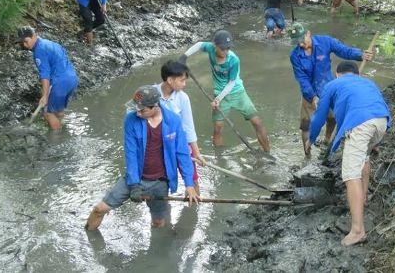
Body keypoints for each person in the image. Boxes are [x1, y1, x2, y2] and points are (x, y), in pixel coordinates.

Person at [85, 85, 200, 230]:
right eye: (136, 109)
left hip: (160, 182)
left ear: (155, 106)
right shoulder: (131, 120)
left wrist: (189, 185)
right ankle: (90, 239)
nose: (138, 113)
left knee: (158, 223)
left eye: (142, 110)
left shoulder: (173, 121)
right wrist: (134, 185)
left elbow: (182, 154)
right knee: (99, 209)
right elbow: (131, 154)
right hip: (136, 177)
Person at [307, 61, 391, 246]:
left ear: (337, 74)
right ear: (356, 74)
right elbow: (381, 105)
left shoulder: (333, 84)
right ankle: (364, 198)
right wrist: (378, 139)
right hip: (381, 122)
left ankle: (358, 230)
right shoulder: (368, 82)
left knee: (350, 174)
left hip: (361, 124)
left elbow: (320, 117)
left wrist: (310, 139)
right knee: (364, 157)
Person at [288, 23, 373, 158]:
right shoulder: (295, 56)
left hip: (329, 88)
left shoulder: (325, 41)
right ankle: (307, 154)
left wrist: (360, 55)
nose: (301, 45)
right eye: (298, 43)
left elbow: (343, 50)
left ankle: (327, 140)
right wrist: (313, 97)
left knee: (332, 117)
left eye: (302, 40)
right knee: (306, 125)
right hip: (309, 93)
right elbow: (302, 79)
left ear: (308, 33)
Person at [179, 30, 270, 152]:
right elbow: (199, 45)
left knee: (257, 122)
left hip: (238, 93)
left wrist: (218, 99)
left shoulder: (233, 60)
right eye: (222, 49)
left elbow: (231, 83)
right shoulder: (210, 48)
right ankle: (220, 157)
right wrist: (184, 56)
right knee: (218, 128)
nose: (225, 52)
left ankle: (267, 152)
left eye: (228, 49)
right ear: (215, 46)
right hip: (219, 94)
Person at [156, 60, 206, 194]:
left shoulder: (183, 98)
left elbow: (188, 127)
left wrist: (196, 152)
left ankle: (194, 206)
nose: (184, 84)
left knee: (192, 177)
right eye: (182, 80)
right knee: (162, 179)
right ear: (170, 80)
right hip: (161, 145)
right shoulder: (151, 94)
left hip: (180, 143)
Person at [16, 26, 79, 130]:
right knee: (58, 110)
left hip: (60, 83)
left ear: (34, 36)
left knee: (48, 114)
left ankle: (57, 140)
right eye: (22, 42)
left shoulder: (39, 51)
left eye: (26, 41)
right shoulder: (49, 43)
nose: (25, 45)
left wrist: (44, 96)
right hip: (72, 79)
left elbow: (45, 75)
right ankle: (61, 127)